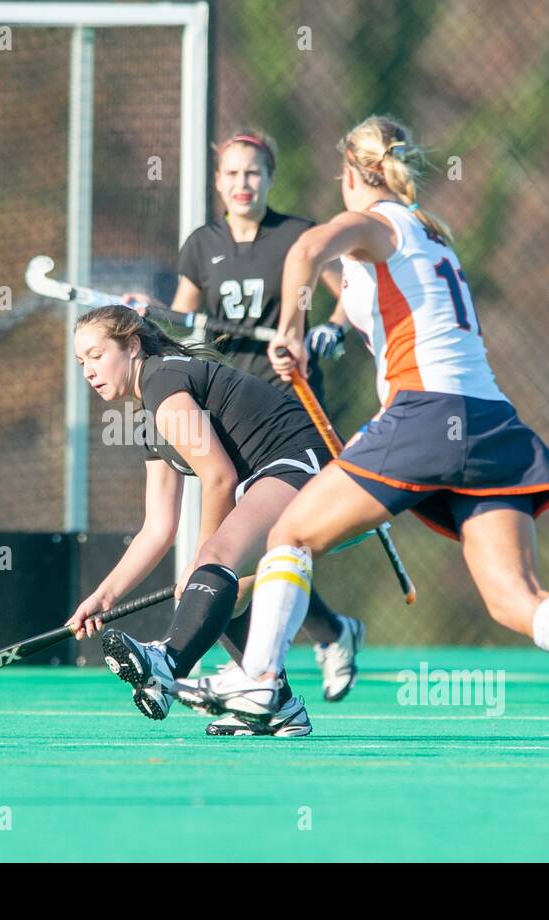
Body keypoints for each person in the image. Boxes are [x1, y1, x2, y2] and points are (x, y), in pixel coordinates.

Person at [175, 116, 549, 760]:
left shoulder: (376, 221)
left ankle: (261, 683)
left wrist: (294, 330)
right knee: (512, 596)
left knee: (291, 534)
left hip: (425, 412)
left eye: (340, 175)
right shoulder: (433, 234)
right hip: (491, 420)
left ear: (356, 175)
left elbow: (305, 252)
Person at [125, 127, 366, 702]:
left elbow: (349, 297)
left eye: (252, 173)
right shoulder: (201, 245)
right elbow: (181, 329)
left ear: (270, 179)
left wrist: (330, 331)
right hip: (221, 414)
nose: (242, 184)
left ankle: (265, 672)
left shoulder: (297, 238)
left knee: (258, 545)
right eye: (231, 174)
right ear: (217, 181)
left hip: (285, 414)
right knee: (246, 550)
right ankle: (295, 656)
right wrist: (148, 315)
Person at [65, 305, 332, 737]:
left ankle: (167, 663)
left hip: (304, 466)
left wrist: (202, 566)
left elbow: (219, 477)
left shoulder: (161, 381)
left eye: (96, 355)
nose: (88, 372)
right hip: (267, 483)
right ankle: (275, 703)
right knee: (223, 597)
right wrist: (104, 595)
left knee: (213, 567)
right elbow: (158, 527)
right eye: (81, 363)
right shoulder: (149, 419)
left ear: (132, 345)